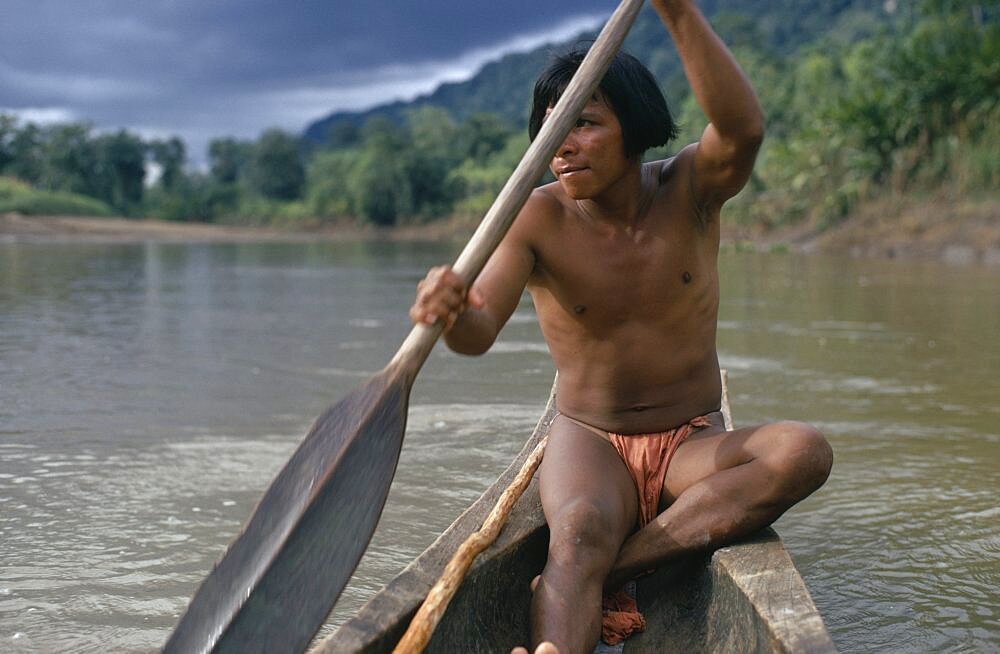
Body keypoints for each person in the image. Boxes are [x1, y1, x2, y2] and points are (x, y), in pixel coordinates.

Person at [409, 1, 833, 652]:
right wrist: (449, 314)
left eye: (584, 124)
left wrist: (677, 10)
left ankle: (626, 565)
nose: (563, 147)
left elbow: (743, 129)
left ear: (633, 128)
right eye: (550, 132)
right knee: (576, 535)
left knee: (802, 451)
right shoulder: (535, 217)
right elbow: (479, 329)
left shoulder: (689, 188)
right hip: (591, 440)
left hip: (691, 445)